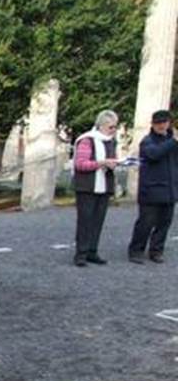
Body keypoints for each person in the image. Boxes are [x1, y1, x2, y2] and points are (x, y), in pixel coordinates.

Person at [127, 109, 177, 264]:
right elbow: (154, 154)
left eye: (164, 122)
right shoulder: (148, 141)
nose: (162, 126)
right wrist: (173, 141)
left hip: (170, 189)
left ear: (169, 123)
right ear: (153, 124)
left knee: (164, 223)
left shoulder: (173, 142)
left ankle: (156, 251)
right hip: (151, 190)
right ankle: (136, 250)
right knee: (145, 223)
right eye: (158, 123)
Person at [71, 110, 120, 267]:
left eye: (115, 127)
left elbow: (111, 160)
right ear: (102, 125)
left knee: (98, 220)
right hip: (87, 186)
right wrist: (102, 163)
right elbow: (80, 164)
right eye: (111, 127)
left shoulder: (111, 141)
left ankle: (92, 251)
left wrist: (115, 163)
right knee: (85, 221)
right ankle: (81, 253)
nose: (114, 130)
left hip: (104, 185)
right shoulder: (86, 140)